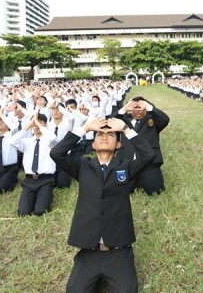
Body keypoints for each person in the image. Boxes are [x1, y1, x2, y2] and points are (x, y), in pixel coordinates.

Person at [50, 117, 154, 293]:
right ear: (93, 145)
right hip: (89, 250)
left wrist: (125, 128)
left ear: (118, 145)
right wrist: (86, 127)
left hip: (118, 251)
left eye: (111, 135)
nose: (104, 137)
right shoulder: (83, 166)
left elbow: (148, 155)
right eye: (99, 134)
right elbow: (56, 153)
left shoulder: (126, 166)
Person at [115, 96, 169, 195]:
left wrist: (148, 106)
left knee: (156, 192)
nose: (137, 110)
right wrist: (124, 109)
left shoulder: (153, 120)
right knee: (120, 191)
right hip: (127, 162)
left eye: (140, 107)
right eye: (135, 108)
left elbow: (165, 119)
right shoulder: (124, 120)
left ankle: (142, 180)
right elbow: (111, 124)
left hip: (149, 164)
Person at [12, 113, 57, 216]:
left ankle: (47, 194)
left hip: (46, 179)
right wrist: (28, 125)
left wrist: (40, 125)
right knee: (23, 213)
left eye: (40, 122)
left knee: (40, 211)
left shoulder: (49, 141)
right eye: (35, 123)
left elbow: (54, 140)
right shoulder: (26, 142)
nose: (36, 126)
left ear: (45, 124)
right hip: (29, 181)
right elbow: (13, 141)